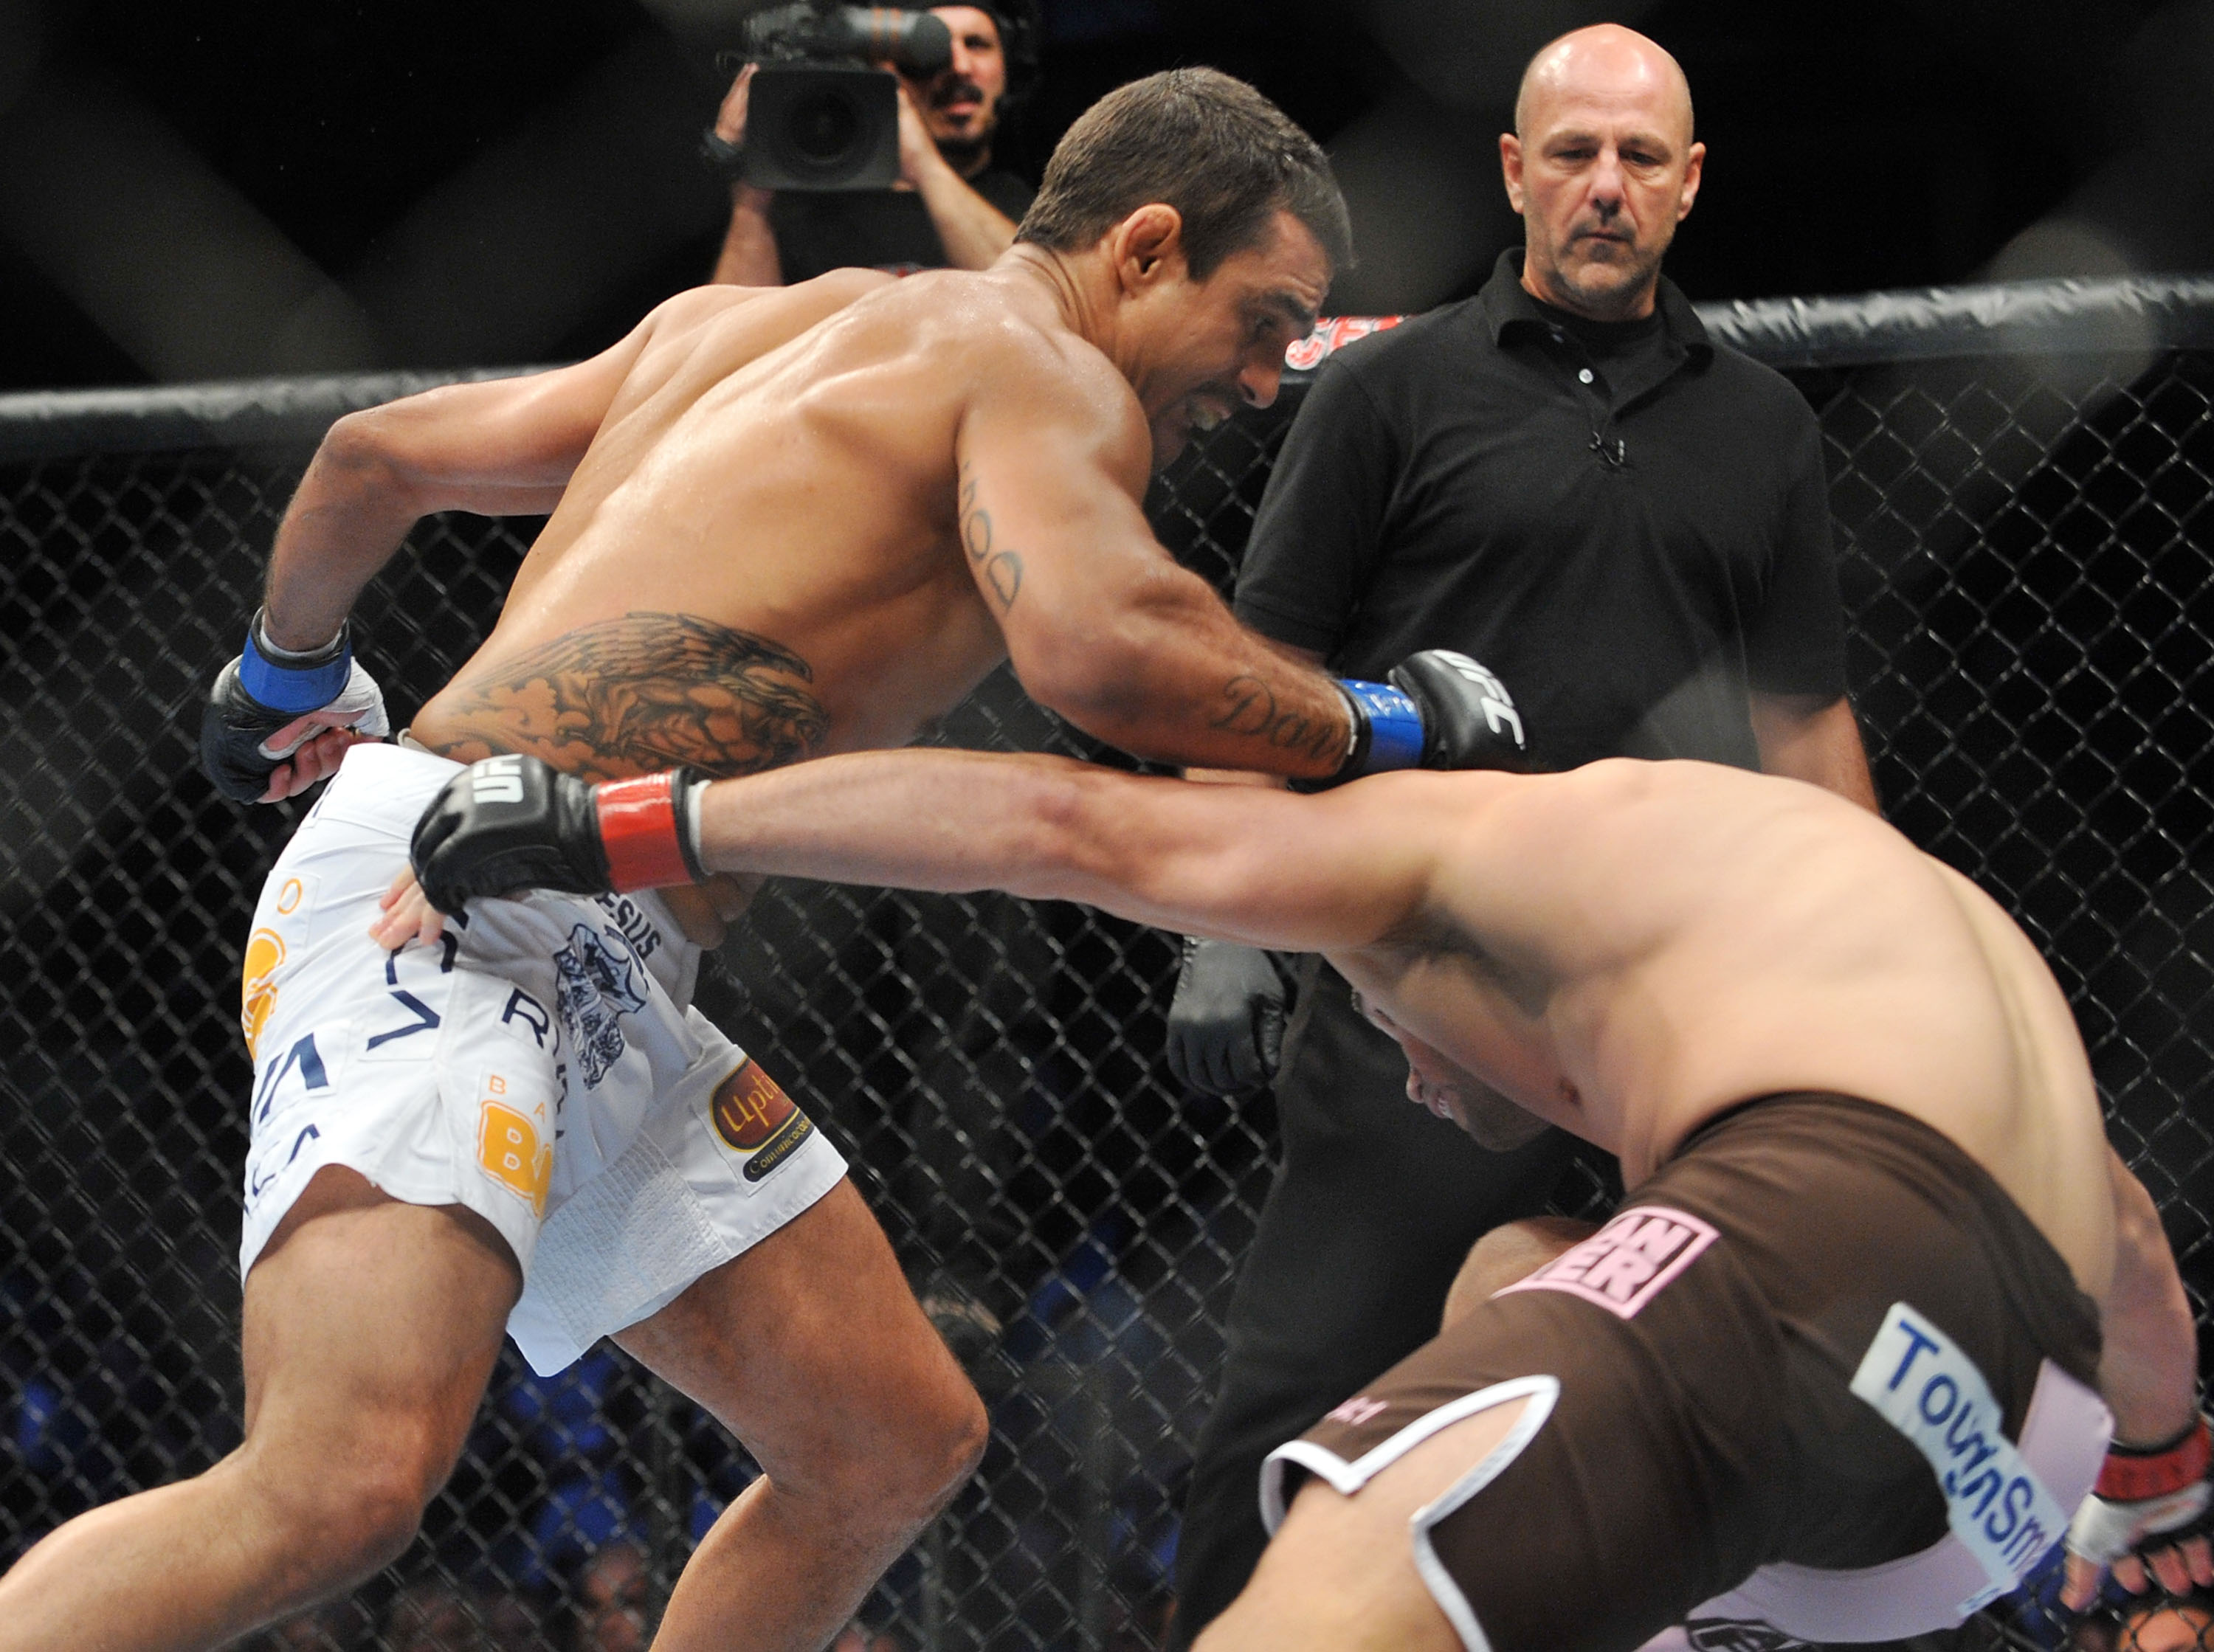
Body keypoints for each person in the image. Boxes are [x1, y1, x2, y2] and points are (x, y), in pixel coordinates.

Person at [0, 70, 1537, 1652]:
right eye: (1269, 319)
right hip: (455, 892)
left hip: (599, 939)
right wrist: (1375, 716)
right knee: (337, 1485)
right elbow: (1097, 646)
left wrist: (287, 669)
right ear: (1147, 248)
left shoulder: (728, 335)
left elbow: (373, 458)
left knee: (889, 1441)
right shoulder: (1037, 367)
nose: (1276, 378)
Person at [392, 739, 2208, 1652]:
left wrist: (637, 819)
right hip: (1985, 1477)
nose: (1418, 1079)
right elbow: (2120, 1232)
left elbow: (1068, 826)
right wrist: (2156, 1490)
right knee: (1519, 1258)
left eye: (1391, 1029)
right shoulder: (1857, 914)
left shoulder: (1458, 845)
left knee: (1345, 1546)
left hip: (1828, 1260)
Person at [1159, 25, 1880, 1642]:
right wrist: (1226, 919)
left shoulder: (1761, 426)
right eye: (1572, 153)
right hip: (1423, 989)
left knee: (1664, 1404)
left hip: (1670, 1010)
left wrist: (1883, 948)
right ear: (1511, 172)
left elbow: (1803, 724)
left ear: (1692, 185)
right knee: (1306, 1393)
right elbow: (1247, 681)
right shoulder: (1389, 390)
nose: (1604, 187)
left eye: (1639, 158)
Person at [708, 3, 1038, 285]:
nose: (958, 67)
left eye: (976, 44)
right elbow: (728, 347)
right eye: (926, 54)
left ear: (1009, 70)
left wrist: (926, 167)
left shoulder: (1036, 209)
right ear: (883, 71)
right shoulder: (802, 216)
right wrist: (750, 201)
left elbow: (1033, 300)